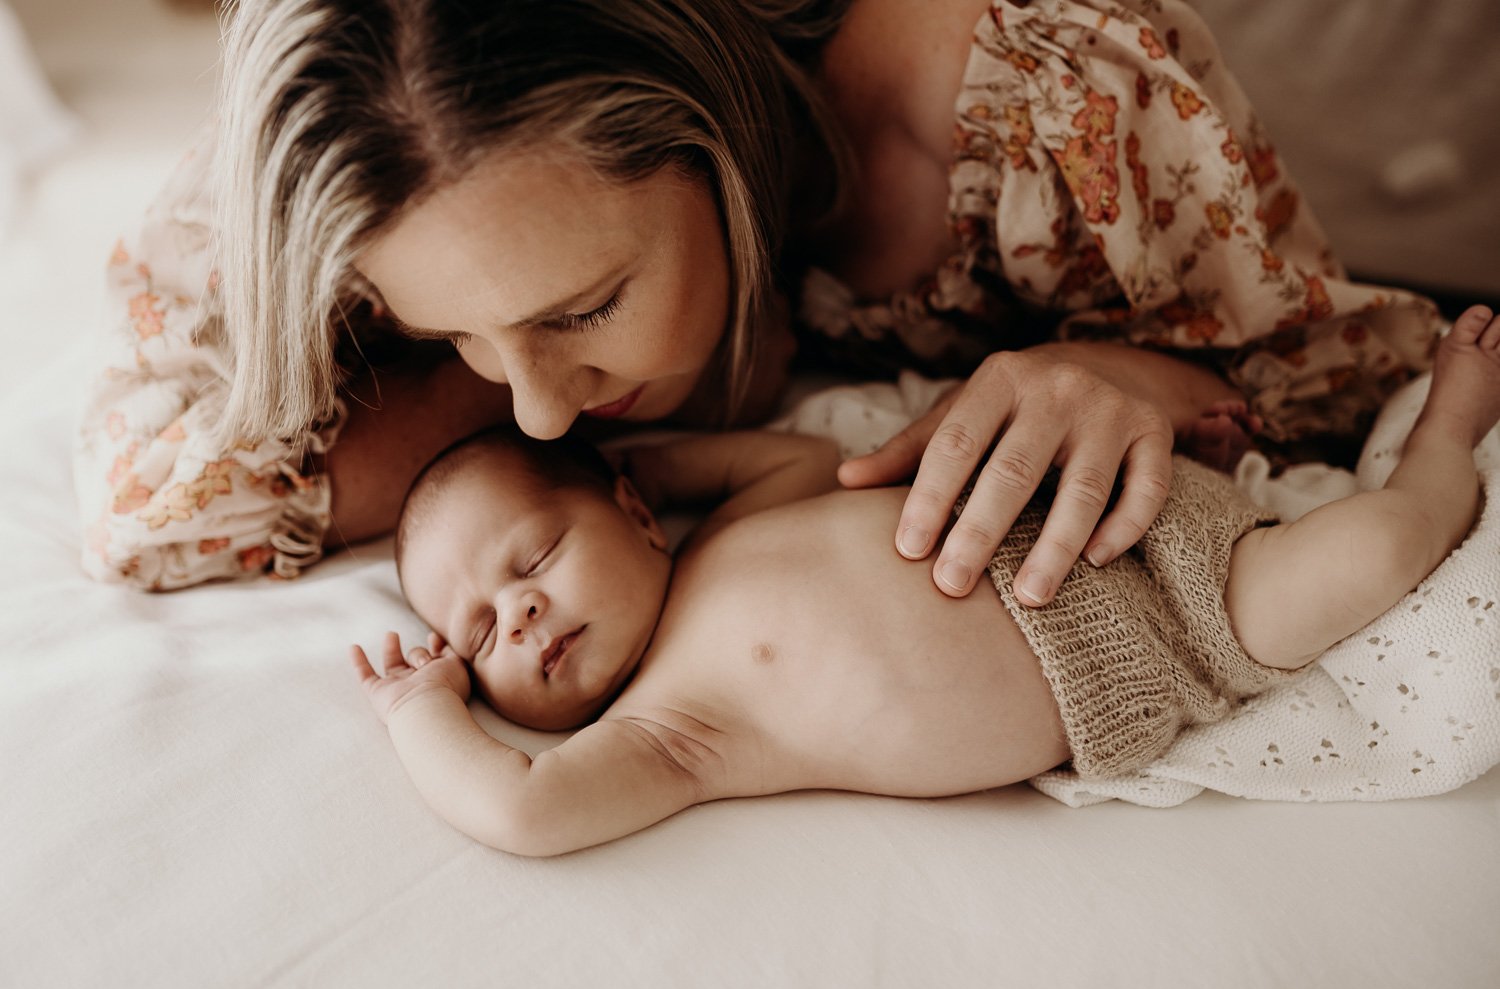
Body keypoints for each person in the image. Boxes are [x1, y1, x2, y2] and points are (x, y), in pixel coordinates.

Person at [76, 0, 1442, 596]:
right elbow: (148, 505)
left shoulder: (1043, 93)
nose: (540, 423)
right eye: (450, 339)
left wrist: (1132, 375)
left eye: (577, 309)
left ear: (711, 130)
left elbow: (1337, 380)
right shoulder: (360, 108)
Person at [351, 306, 1499, 857]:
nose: (523, 616)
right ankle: (1451, 437)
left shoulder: (722, 537)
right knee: (1379, 552)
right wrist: (419, 711)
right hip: (1172, 632)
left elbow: (808, 460)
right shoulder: (671, 733)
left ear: (636, 512)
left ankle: (1408, 442)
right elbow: (522, 808)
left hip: (1086, 498)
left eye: (535, 560)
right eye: (479, 631)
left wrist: (646, 465)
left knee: (1331, 526)